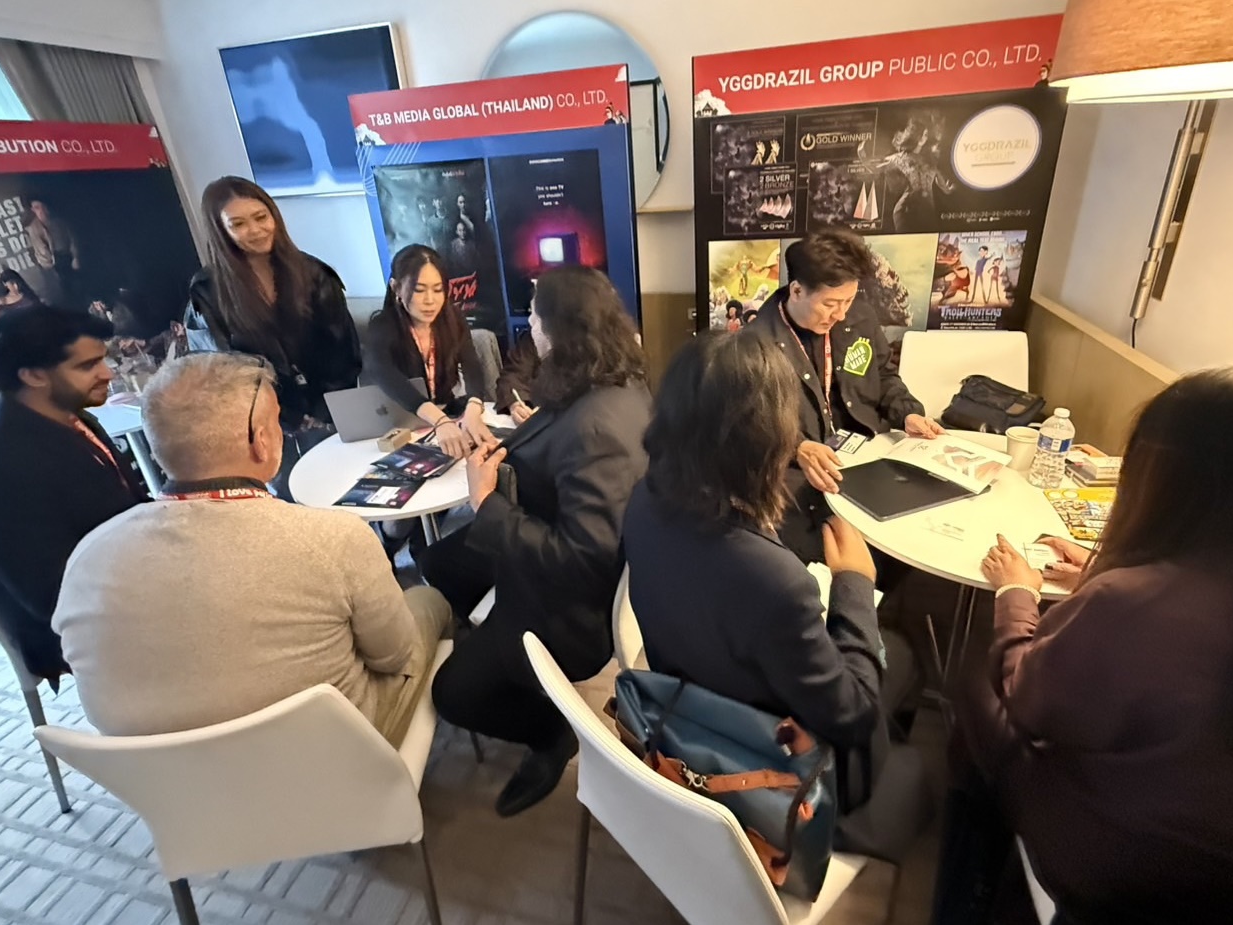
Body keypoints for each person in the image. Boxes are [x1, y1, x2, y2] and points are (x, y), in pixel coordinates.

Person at [966, 364, 1233, 924]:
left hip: (1139, 883)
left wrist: (1016, 592)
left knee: (978, 693)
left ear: (1170, 478)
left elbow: (1028, 696)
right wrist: (1101, 578)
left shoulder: (1132, 604)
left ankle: (967, 896)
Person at [54, 353, 450, 741]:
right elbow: (393, 657)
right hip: (334, 750)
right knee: (429, 600)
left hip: (165, 776)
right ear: (262, 442)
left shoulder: (88, 557)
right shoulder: (334, 538)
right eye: (276, 421)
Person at [625, 334, 893, 820]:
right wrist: (854, 582)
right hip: (768, 763)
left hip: (687, 715)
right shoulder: (775, 580)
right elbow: (850, 714)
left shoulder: (643, 500)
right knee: (892, 663)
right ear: (765, 440)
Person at [420, 266, 649, 817]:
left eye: (535, 314)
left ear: (558, 328)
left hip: (565, 609)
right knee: (437, 562)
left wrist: (485, 502)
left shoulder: (597, 428)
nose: (529, 323)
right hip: (536, 529)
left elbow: (583, 558)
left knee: (451, 694)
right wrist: (514, 443)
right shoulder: (613, 380)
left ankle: (551, 732)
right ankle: (490, 650)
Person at [0, 306, 149, 683]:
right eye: (88, 365)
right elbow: (54, 598)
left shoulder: (68, 413)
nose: (107, 373)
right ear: (33, 375)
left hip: (125, 573)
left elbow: (127, 507)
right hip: (77, 629)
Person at [740, 229, 943, 563]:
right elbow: (749, 422)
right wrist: (797, 446)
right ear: (797, 290)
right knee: (819, 542)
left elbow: (884, 375)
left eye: (848, 301)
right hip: (800, 466)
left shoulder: (859, 317)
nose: (841, 315)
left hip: (867, 450)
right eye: (830, 304)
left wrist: (907, 413)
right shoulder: (755, 344)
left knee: (918, 524)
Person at [184, 176, 362, 483]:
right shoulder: (208, 292)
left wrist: (320, 410)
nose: (255, 230)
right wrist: (285, 416)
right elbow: (219, 371)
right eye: (238, 224)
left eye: (260, 217)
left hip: (328, 414)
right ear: (220, 231)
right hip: (262, 424)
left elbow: (343, 348)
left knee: (346, 485)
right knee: (287, 497)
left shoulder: (315, 273)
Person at [364, 244, 495, 460]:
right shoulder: (383, 326)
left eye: (437, 289)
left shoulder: (453, 319)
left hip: (448, 415)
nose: (430, 300)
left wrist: (473, 409)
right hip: (405, 425)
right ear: (396, 288)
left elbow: (472, 367)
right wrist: (439, 420)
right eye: (419, 290)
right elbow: (382, 372)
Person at [25, 198, 79, 307]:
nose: (41, 210)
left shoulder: (58, 221)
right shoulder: (34, 228)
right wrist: (50, 265)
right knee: (62, 290)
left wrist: (75, 257)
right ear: (33, 210)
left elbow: (72, 238)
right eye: (36, 208)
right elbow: (41, 249)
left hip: (67, 256)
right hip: (53, 262)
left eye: (42, 206)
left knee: (76, 285)